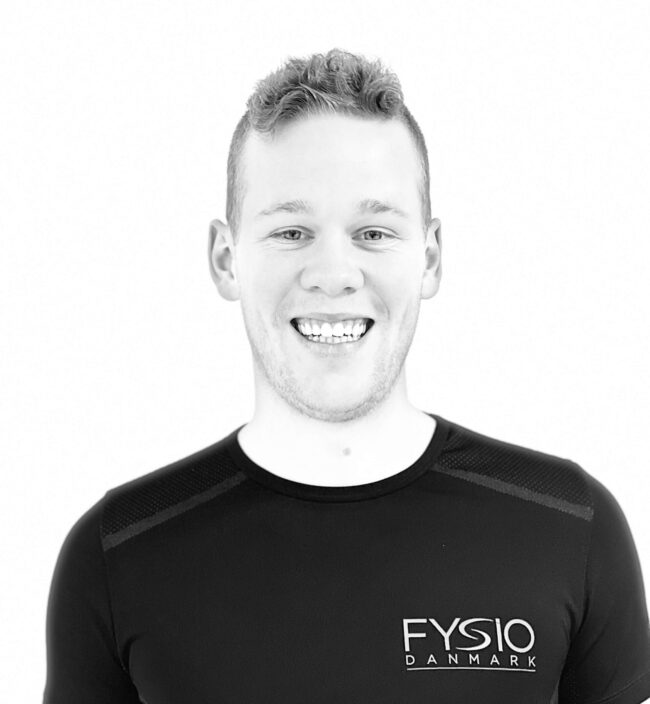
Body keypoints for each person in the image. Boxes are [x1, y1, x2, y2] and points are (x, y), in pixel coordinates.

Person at [43, 48, 650, 704]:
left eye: (373, 232)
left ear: (430, 258)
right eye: (291, 232)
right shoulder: (117, 557)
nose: (333, 274)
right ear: (225, 258)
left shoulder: (569, 529)